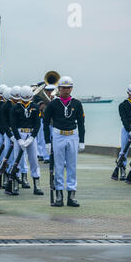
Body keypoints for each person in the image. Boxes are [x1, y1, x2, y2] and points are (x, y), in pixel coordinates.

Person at [44, 76, 85, 207]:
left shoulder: (77, 103)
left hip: (72, 135)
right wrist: (47, 142)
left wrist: (82, 140)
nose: (66, 90)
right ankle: (59, 196)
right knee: (59, 167)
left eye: (69, 87)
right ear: (59, 88)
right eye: (63, 88)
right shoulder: (53, 104)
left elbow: (81, 123)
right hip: (58, 135)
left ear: (71, 88)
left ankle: (71, 196)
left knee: (72, 167)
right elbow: (45, 123)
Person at [9, 86, 43, 195]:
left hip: (31, 135)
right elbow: (13, 125)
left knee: (33, 160)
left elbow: (37, 124)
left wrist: (32, 137)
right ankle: (15, 184)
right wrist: (18, 139)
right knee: (17, 160)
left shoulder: (35, 107)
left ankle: (36, 185)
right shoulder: (15, 108)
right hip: (19, 133)